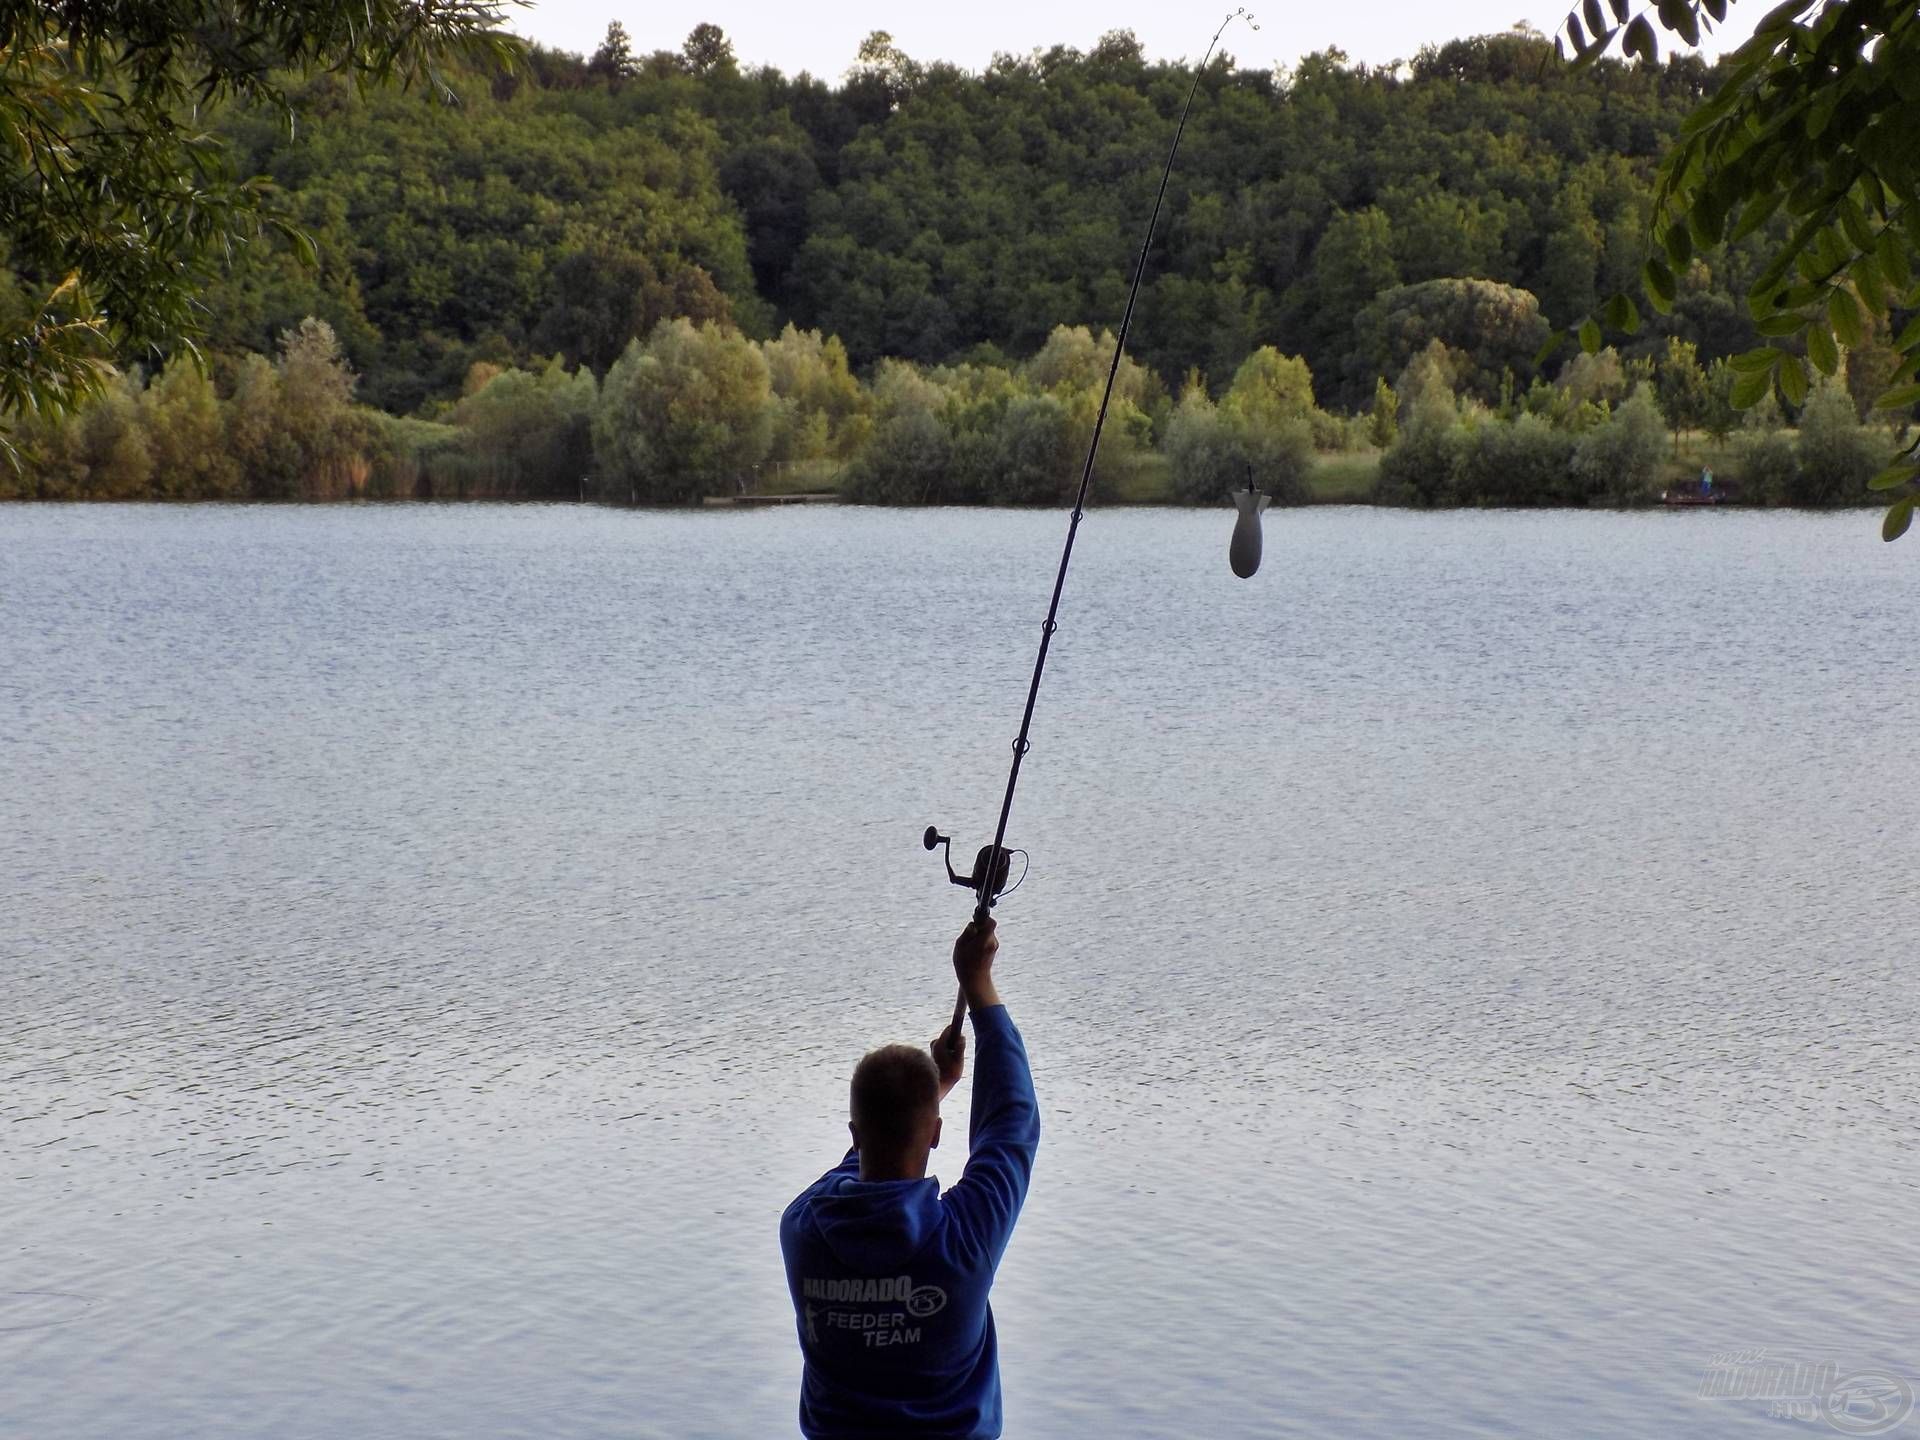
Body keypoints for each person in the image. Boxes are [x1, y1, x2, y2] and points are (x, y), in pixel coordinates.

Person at [780, 917, 1039, 1439]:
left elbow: (865, 1156)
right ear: (936, 1135)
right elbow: (1009, 1126)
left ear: (855, 1130)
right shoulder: (963, 1241)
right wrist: (978, 984)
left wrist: (931, 1093)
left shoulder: (802, 1228)